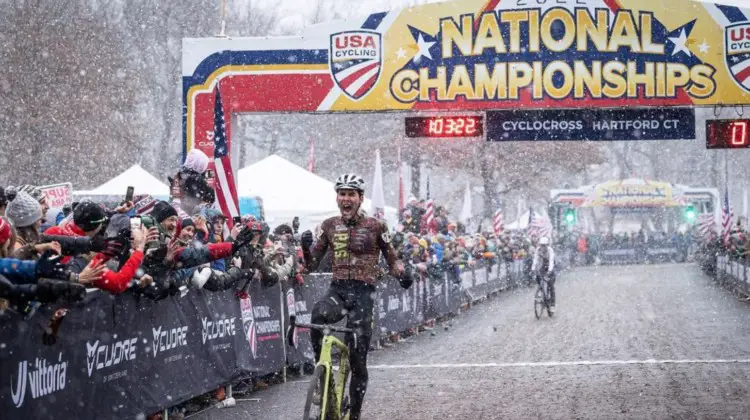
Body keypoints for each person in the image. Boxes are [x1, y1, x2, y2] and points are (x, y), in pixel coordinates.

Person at [299, 174, 408, 420]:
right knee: (317, 315)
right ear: (337, 197)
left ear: (360, 198)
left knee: (358, 361)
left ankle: (355, 414)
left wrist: (402, 273)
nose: (345, 199)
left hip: (363, 295)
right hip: (337, 290)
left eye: (351, 194)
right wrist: (306, 249)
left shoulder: (376, 226)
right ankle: (321, 376)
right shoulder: (328, 225)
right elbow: (312, 264)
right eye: (342, 194)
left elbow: (392, 259)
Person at [532, 236, 556, 313]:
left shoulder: (550, 250)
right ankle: (541, 290)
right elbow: (535, 260)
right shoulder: (537, 250)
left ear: (547, 245)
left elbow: (551, 261)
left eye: (544, 245)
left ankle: (552, 304)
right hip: (543, 266)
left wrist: (549, 271)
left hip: (550, 267)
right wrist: (533, 269)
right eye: (541, 245)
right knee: (538, 279)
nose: (543, 247)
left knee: (551, 286)